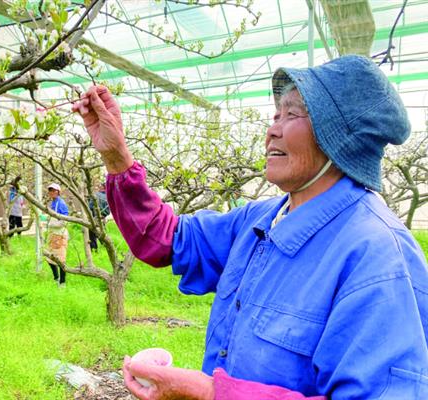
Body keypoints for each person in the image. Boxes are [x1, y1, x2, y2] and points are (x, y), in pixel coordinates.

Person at [72, 55, 428, 399]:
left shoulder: (377, 258)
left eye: (292, 114)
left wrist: (211, 393)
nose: (272, 130)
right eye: (275, 114)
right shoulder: (260, 220)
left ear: (339, 136)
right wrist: (117, 155)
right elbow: (167, 240)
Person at [46, 183, 70, 287]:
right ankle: (56, 278)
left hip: (60, 235)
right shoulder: (53, 202)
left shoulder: (61, 203)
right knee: (50, 257)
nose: (52, 192)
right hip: (53, 234)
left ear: (58, 192)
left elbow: (64, 221)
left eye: (54, 190)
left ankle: (62, 282)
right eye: (50, 190)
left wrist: (53, 224)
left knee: (61, 259)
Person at [88, 182, 110, 251]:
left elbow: (90, 206)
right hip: (103, 218)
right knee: (102, 234)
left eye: (100, 186)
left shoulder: (96, 195)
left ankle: (94, 249)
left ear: (102, 187)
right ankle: (107, 248)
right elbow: (109, 211)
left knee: (92, 234)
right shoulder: (109, 197)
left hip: (94, 217)